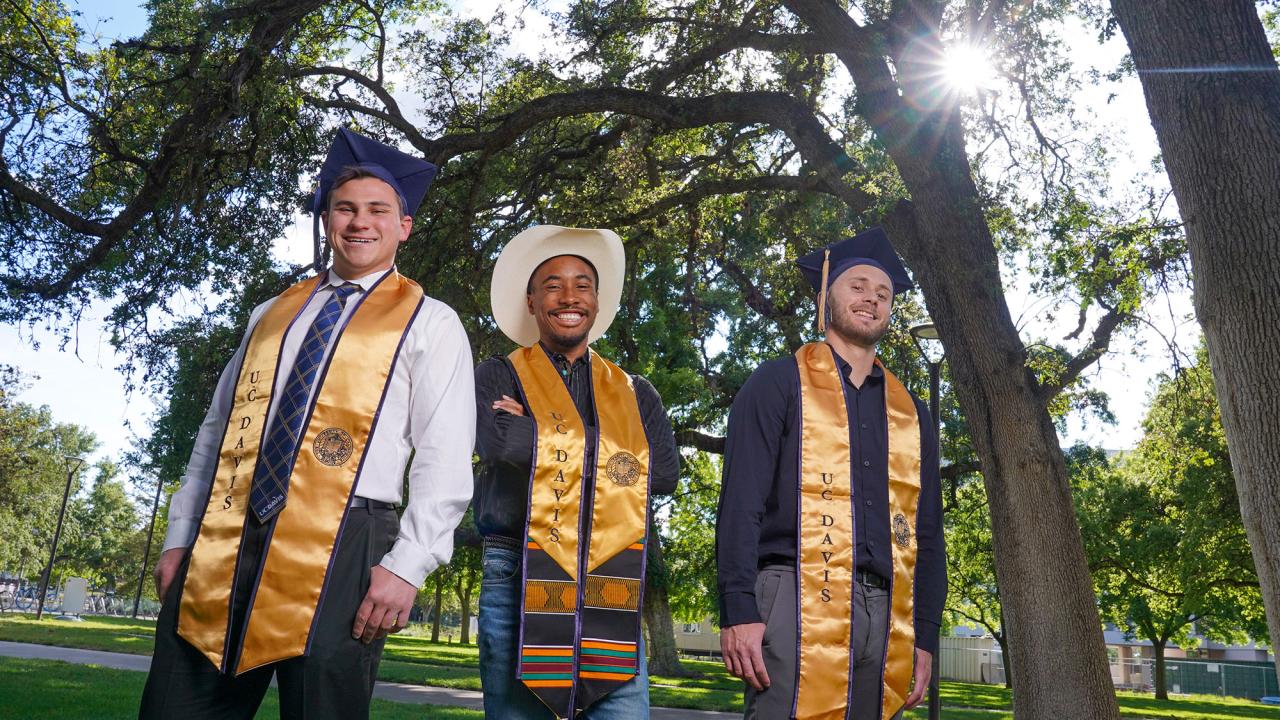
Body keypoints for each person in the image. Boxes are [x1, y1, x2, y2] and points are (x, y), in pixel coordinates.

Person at [139, 128, 475, 719]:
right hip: (230, 529)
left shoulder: (431, 321)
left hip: (348, 539)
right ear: (326, 219)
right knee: (180, 705)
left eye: (378, 209)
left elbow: (443, 454)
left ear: (405, 225)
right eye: (344, 208)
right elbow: (216, 433)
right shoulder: (273, 314)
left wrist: (408, 564)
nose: (359, 222)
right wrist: (180, 535)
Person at [716, 227, 945, 720]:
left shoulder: (912, 413)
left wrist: (924, 635)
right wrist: (739, 608)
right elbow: (741, 504)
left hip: (888, 613)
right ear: (825, 297)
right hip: (792, 597)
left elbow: (927, 532)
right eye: (857, 286)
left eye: (883, 293)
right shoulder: (778, 383)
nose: (872, 299)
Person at [473, 225, 680, 719]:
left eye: (582, 284)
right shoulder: (498, 373)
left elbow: (666, 473)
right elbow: (500, 443)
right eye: (552, 284)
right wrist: (616, 454)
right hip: (517, 570)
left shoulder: (635, 391)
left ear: (596, 301)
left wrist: (543, 435)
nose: (569, 296)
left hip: (612, 575)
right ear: (530, 302)